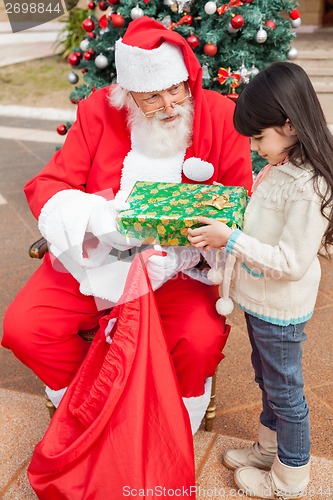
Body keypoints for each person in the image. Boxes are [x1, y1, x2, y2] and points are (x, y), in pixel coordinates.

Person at [2, 16, 252, 433]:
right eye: (152, 98)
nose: (170, 106)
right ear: (128, 96)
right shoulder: (99, 111)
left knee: (198, 340)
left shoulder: (220, 115)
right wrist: (101, 221)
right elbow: (50, 184)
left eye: (176, 90)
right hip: (100, 260)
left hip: (180, 270)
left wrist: (182, 256)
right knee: (26, 328)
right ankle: (89, 399)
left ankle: (170, 421)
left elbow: (237, 203)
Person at [188, 61, 333, 498]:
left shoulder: (306, 186)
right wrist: (229, 225)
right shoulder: (283, 163)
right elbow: (261, 224)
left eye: (258, 137)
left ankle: (291, 476)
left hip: (280, 307)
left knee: (285, 392)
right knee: (268, 381)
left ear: (289, 124)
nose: (254, 148)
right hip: (260, 300)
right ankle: (269, 450)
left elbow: (289, 261)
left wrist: (230, 239)